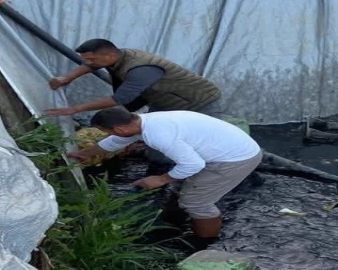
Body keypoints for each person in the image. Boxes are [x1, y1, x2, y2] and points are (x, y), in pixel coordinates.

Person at [69, 106, 262, 239]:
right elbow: (115, 142)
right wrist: (83, 154)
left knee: (196, 202)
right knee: (182, 190)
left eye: (108, 131)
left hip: (234, 159)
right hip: (226, 148)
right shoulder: (142, 121)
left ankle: (204, 244)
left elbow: (193, 164)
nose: (110, 135)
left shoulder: (158, 135)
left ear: (119, 128)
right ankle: (175, 223)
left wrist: (160, 179)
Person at [45, 39, 221, 117]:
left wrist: (75, 109)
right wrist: (67, 78)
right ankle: (160, 166)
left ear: (108, 56)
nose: (87, 62)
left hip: (198, 101)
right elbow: (91, 65)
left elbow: (121, 98)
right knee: (157, 141)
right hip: (165, 101)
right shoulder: (119, 55)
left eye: (90, 58)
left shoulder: (140, 68)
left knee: (203, 143)